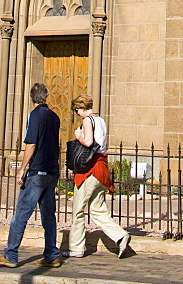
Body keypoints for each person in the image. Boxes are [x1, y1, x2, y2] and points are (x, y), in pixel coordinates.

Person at [0, 83, 61, 268]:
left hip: (37, 171)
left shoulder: (35, 116)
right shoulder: (55, 117)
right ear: (45, 96)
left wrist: (22, 169)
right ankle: (51, 255)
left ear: (32, 98)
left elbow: (31, 144)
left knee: (21, 214)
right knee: (49, 216)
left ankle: (11, 255)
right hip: (52, 171)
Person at [65, 94, 130, 259]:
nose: (77, 113)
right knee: (97, 209)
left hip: (91, 169)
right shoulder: (100, 120)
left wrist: (78, 135)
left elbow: (88, 142)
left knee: (78, 210)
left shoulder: (87, 121)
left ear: (81, 107)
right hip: (102, 169)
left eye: (77, 110)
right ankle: (120, 236)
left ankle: (76, 248)